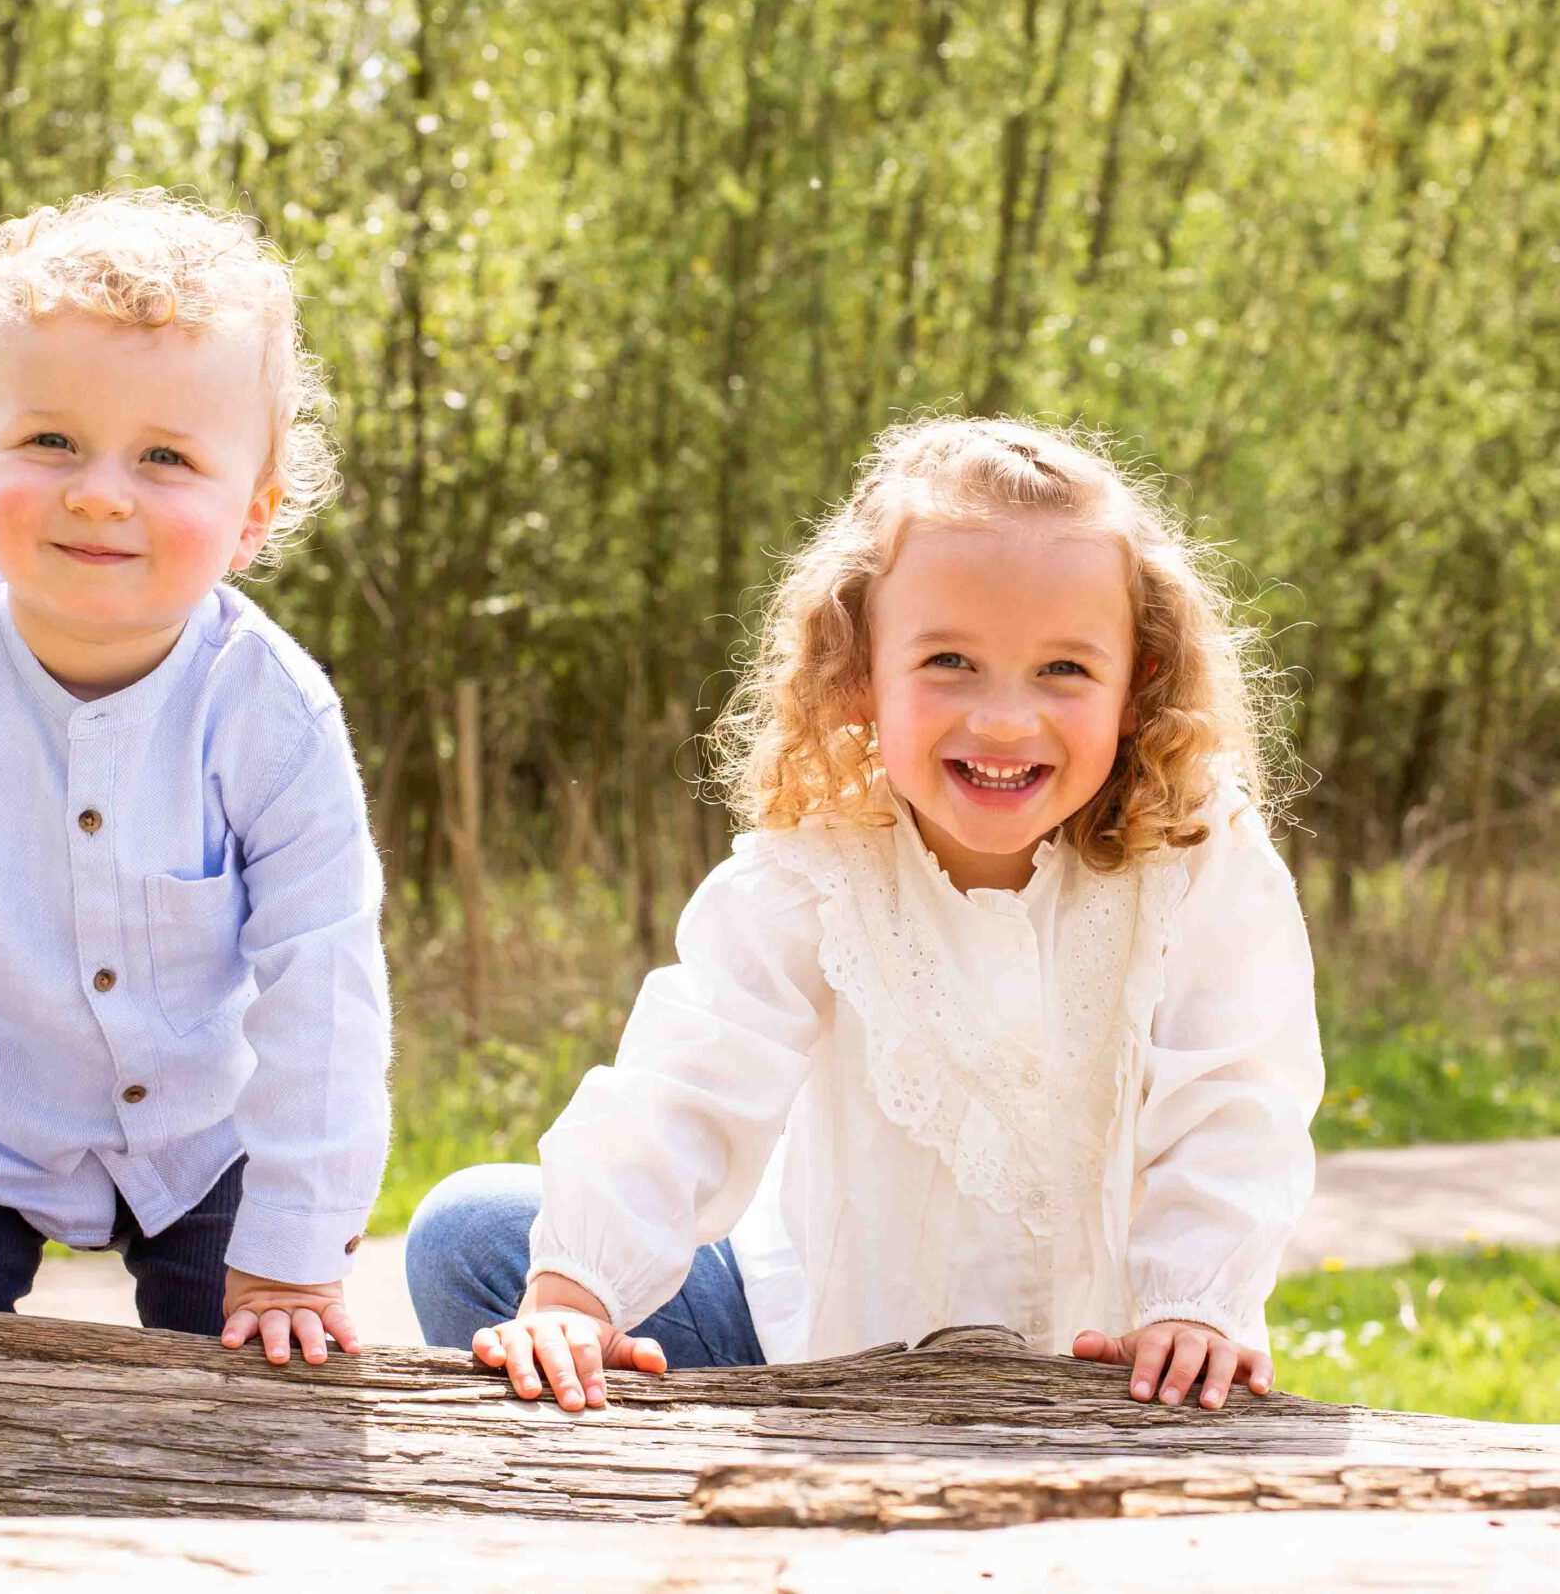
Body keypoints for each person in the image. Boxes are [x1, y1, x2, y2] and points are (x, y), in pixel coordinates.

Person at [407, 416, 1322, 1412]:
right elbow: (685, 1083)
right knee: (470, 1233)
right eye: (948, 663)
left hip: (1109, 1355)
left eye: (1064, 669)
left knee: (1173, 1350)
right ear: (856, 678)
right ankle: (663, 1513)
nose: (1005, 718)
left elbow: (1238, 1098)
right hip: (815, 1345)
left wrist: (1192, 1303)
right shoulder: (814, 871)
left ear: (1138, 685)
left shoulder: (1196, 855)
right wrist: (574, 1294)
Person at [0, 189, 391, 1367]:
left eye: (165, 457)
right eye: (50, 442)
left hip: (209, 1138)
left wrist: (294, 1247)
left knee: (269, 1375)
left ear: (251, 518)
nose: (100, 491)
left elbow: (326, 987)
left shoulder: (274, 713)